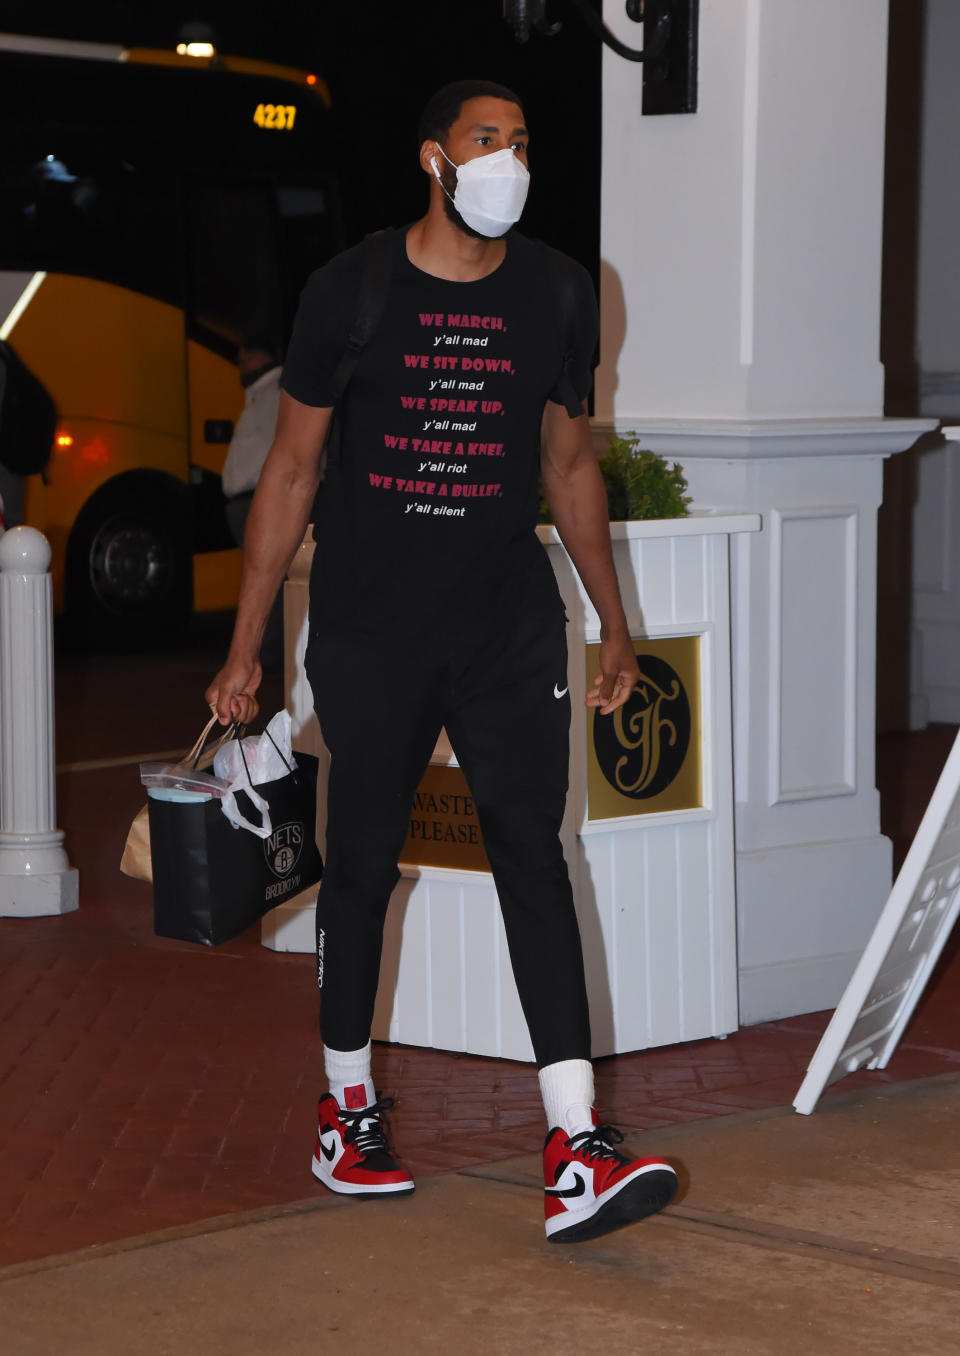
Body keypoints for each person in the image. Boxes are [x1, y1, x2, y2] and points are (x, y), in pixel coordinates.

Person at [207, 79, 677, 1244]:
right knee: (362, 863)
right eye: (486, 141)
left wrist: (613, 622)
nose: (510, 159)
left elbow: (568, 466)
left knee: (535, 853)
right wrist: (245, 648)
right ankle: (348, 1110)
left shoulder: (562, 293)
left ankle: (577, 1138)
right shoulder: (354, 290)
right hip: (373, 628)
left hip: (506, 627)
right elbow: (294, 472)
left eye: (522, 140)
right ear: (435, 158)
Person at [220, 335, 284, 667]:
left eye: (247, 360)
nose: (241, 368)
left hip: (262, 500)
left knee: (266, 580)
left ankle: (268, 657)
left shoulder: (276, 394)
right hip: (247, 502)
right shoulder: (260, 395)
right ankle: (265, 654)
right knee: (259, 578)